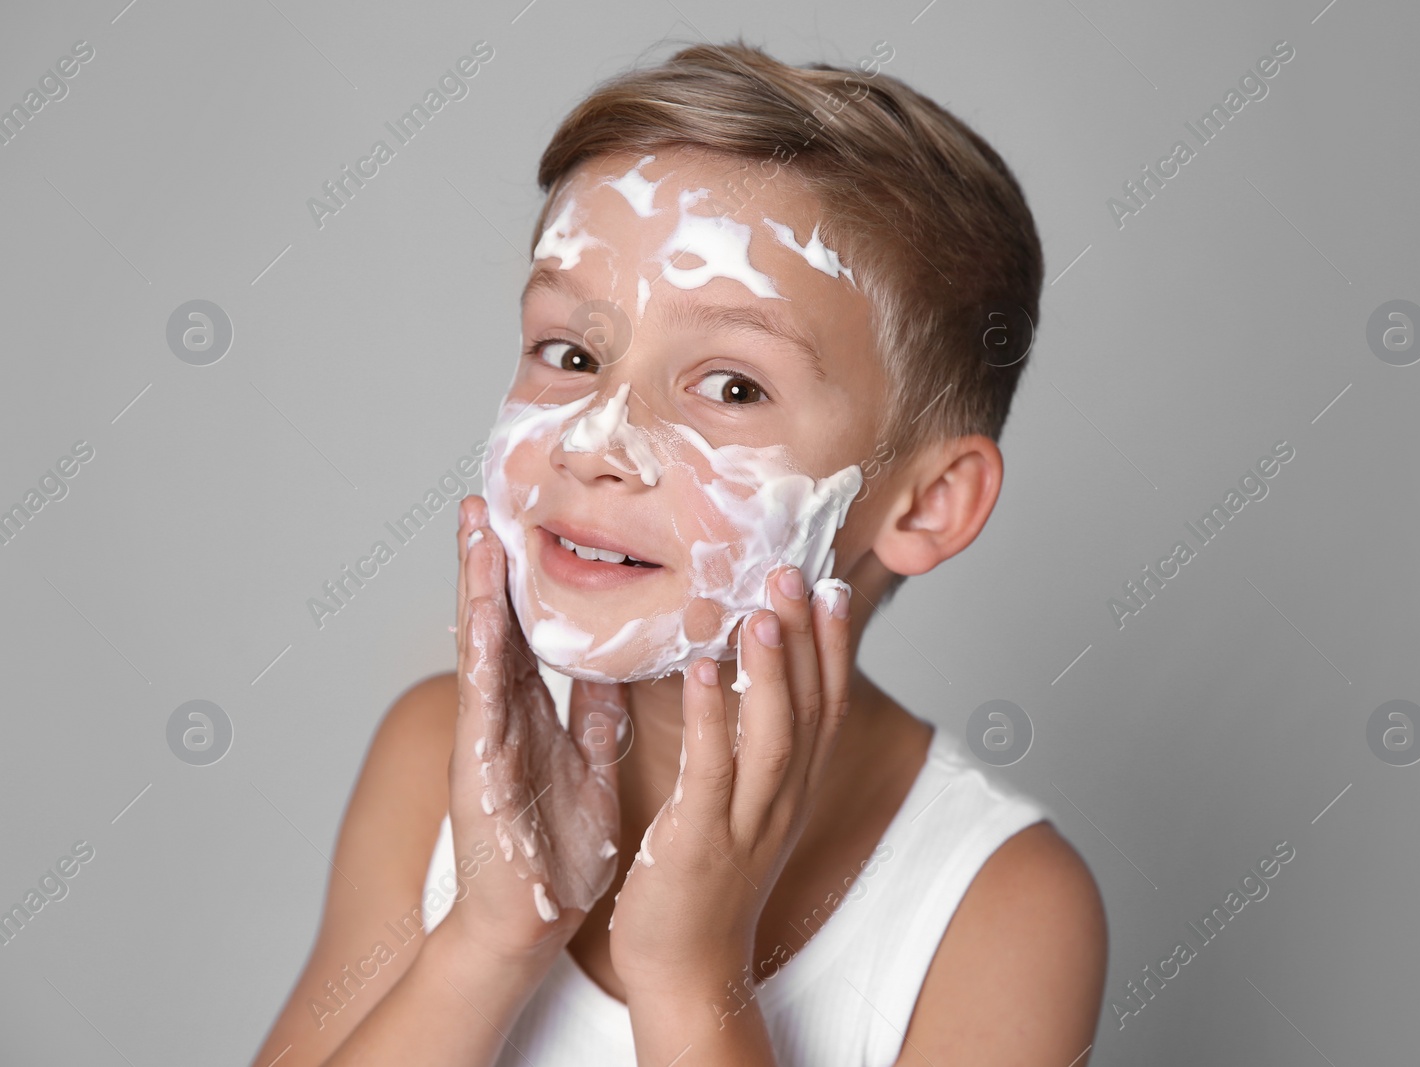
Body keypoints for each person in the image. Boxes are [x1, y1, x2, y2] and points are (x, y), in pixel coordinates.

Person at [253, 38, 1107, 1066]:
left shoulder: (1000, 903)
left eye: (732, 386)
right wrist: (487, 938)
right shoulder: (433, 757)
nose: (594, 440)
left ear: (926, 502)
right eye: (571, 354)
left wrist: (692, 977)